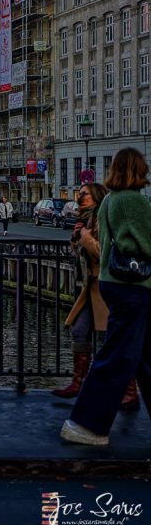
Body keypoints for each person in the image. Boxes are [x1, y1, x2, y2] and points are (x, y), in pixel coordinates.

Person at [62, 148, 151, 446]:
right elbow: (143, 244)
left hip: (113, 283)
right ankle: (85, 423)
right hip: (134, 286)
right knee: (117, 357)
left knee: (142, 355)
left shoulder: (111, 200)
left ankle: (84, 421)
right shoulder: (133, 201)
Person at [51, 183, 141, 409]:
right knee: (79, 330)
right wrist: (78, 237)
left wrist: (84, 237)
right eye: (79, 194)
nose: (80, 198)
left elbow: (104, 253)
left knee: (110, 340)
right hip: (89, 288)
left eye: (84, 194)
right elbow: (80, 249)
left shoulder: (103, 219)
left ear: (96, 197)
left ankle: (128, 391)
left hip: (105, 286)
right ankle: (79, 382)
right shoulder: (84, 220)